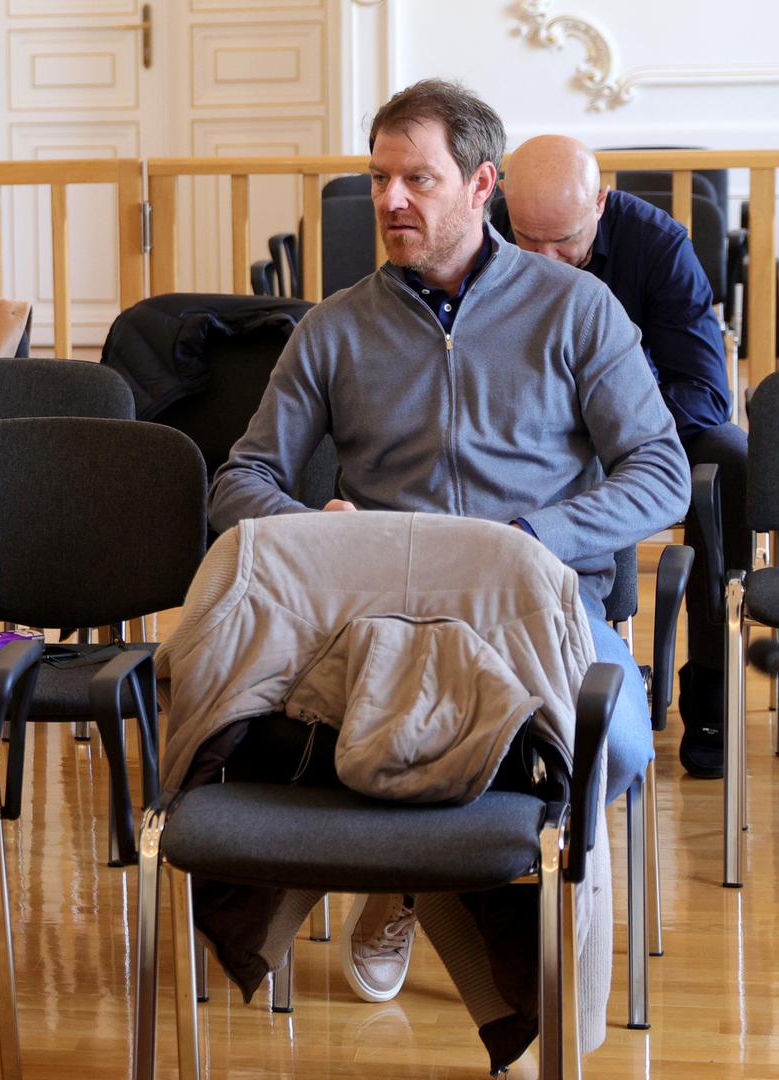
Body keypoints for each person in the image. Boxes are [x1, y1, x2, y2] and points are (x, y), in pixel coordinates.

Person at [208, 80, 689, 1010]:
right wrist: (311, 531)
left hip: (543, 609)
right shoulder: (335, 327)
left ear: (481, 186)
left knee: (616, 745)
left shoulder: (576, 310)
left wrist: (529, 537)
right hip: (378, 620)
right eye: (381, 177)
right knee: (252, 731)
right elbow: (241, 483)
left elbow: (661, 473)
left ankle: (465, 916)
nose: (391, 199)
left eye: (417, 179)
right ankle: (406, 878)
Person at [499, 134, 745, 780]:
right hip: (524, 440)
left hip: (641, 431)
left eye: (565, 242)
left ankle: (711, 691)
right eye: (529, 240)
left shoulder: (658, 244)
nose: (548, 261)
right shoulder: (482, 238)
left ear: (601, 204)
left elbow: (705, 391)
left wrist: (616, 420)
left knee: (731, 459)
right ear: (502, 207)